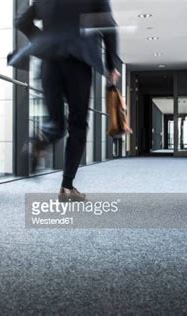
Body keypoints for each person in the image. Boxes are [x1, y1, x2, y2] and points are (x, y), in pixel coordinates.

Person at [15, 0, 121, 201]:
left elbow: (22, 22)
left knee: (55, 122)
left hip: (49, 63)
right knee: (77, 124)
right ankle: (66, 187)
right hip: (77, 62)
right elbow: (109, 26)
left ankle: (42, 138)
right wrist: (111, 64)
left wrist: (45, 40)